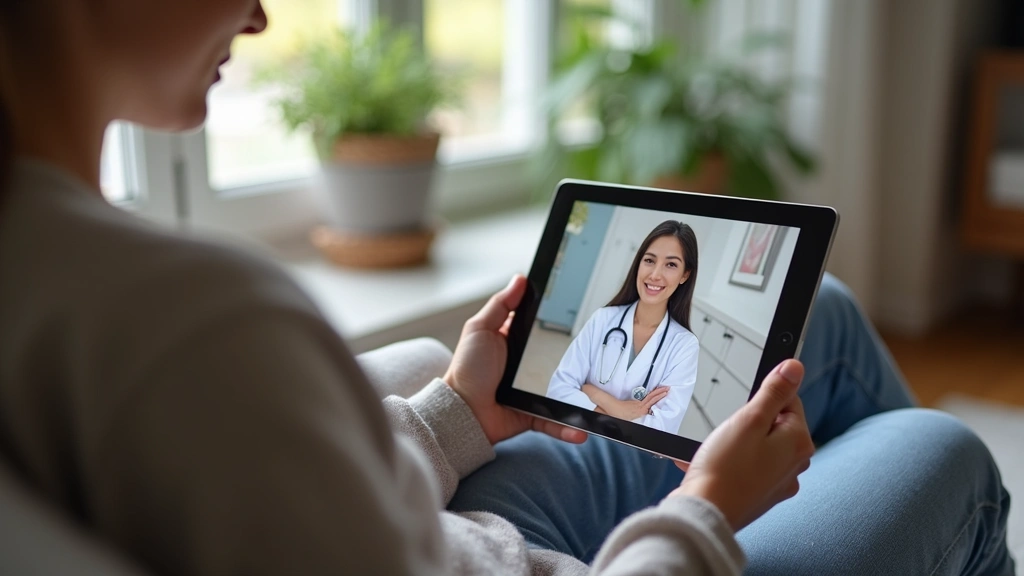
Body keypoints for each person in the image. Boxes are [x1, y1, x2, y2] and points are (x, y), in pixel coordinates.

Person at [0, 1, 1014, 575]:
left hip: (451, 534)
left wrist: (457, 413)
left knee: (818, 314)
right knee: (940, 451)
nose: (261, 15)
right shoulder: (194, 322)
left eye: (671, 263)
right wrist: (709, 505)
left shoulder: (64, 285)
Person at [547, 220, 700, 434]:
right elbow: (558, 390)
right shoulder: (603, 319)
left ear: (685, 275)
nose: (655, 274)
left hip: (627, 456)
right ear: (639, 263)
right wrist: (615, 408)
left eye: (671, 264)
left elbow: (662, 430)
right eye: (649, 260)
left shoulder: (684, 345)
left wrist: (592, 393)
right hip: (576, 437)